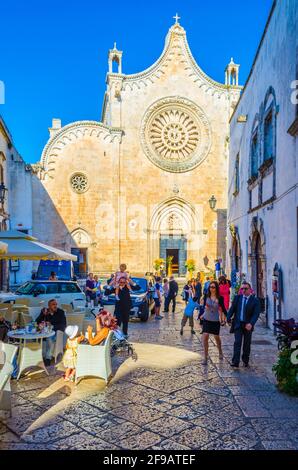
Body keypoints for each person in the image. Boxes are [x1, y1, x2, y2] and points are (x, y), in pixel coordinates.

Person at [227, 282, 261, 368]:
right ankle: (235, 362)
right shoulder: (238, 298)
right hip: (238, 324)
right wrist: (228, 318)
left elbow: (256, 314)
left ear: (250, 289)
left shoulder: (255, 300)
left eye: (246, 288)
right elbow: (232, 309)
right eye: (242, 289)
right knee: (237, 342)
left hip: (248, 325)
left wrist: (251, 323)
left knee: (247, 344)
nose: (244, 290)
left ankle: (245, 360)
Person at [201, 281, 227, 365]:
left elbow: (223, 309)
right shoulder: (206, 296)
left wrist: (229, 318)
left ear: (216, 288)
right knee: (205, 336)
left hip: (215, 320)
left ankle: (220, 351)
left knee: (216, 337)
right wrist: (202, 314)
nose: (211, 289)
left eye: (213, 287)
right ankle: (205, 357)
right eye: (210, 287)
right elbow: (204, 307)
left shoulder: (220, 298)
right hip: (206, 319)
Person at [36, 299, 67, 366]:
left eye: (56, 304)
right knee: (40, 338)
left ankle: (47, 358)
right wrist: (43, 315)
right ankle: (41, 357)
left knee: (50, 338)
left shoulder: (60, 312)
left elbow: (63, 325)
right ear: (49, 306)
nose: (55, 306)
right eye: (53, 304)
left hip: (55, 332)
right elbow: (37, 321)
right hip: (44, 332)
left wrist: (52, 326)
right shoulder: (45, 311)